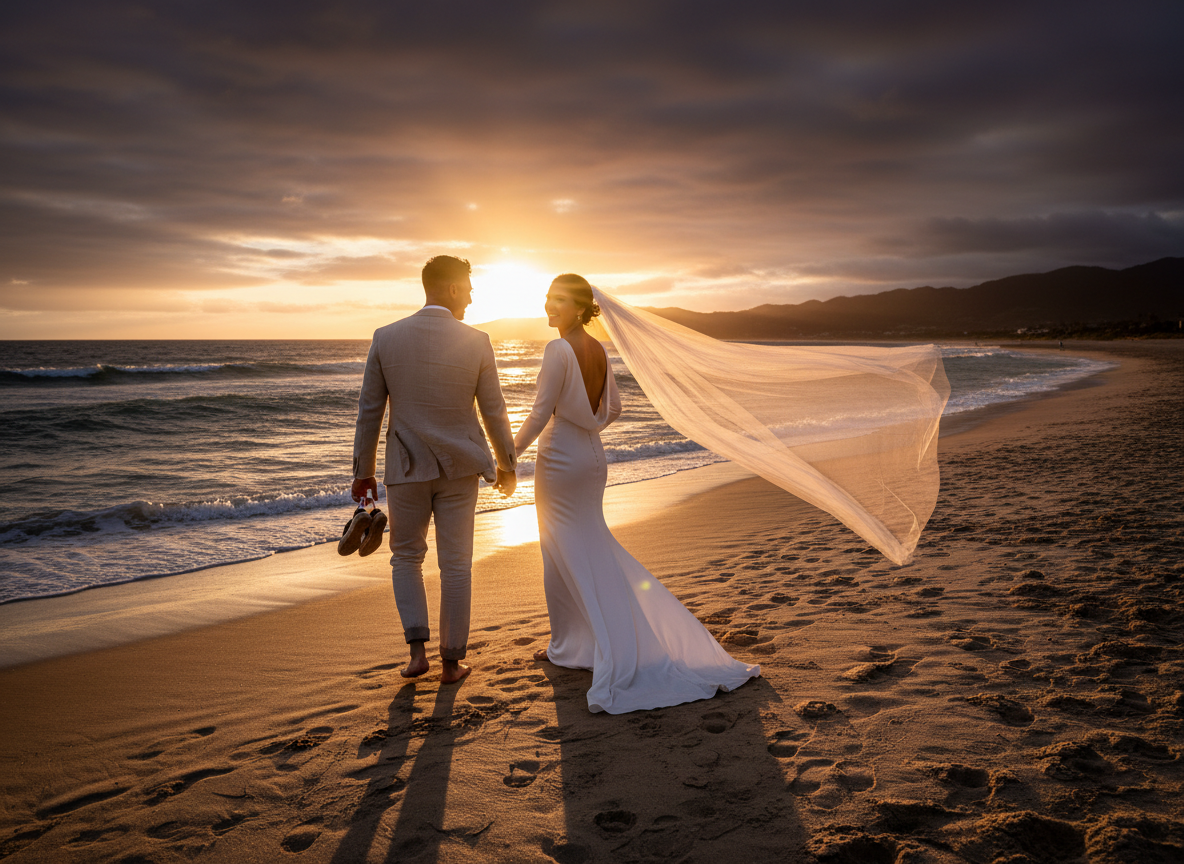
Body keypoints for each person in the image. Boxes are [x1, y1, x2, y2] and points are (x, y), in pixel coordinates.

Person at [514, 274, 760, 714]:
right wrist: (589, 426)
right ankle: (575, 642)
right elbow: (615, 408)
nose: (549, 305)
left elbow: (538, 412)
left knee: (560, 548)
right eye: (548, 297)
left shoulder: (557, 349)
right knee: (590, 542)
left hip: (561, 458)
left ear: (580, 307)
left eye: (559, 300)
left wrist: (507, 456)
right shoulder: (598, 349)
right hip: (593, 457)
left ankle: (569, 645)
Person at [351, 255, 517, 684]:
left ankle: (416, 655)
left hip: (405, 469)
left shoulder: (386, 337)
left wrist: (363, 471)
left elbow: (369, 410)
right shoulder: (477, 340)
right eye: (469, 289)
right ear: (453, 288)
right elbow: (494, 410)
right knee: (456, 564)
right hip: (460, 468)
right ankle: (451, 663)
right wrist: (506, 464)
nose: (472, 298)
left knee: (406, 558)